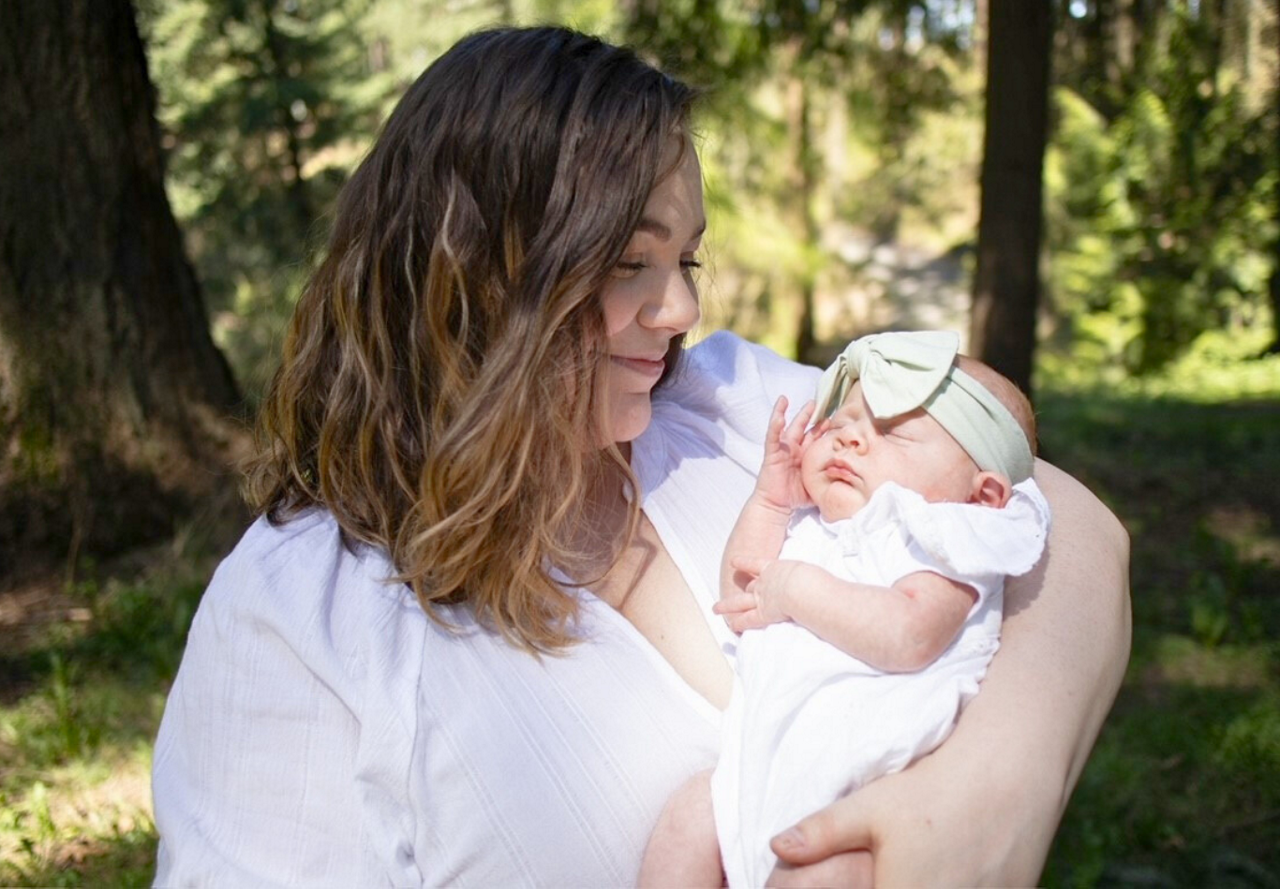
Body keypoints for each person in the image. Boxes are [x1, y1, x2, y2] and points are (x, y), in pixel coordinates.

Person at [151, 26, 1131, 887]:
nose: (680, 311)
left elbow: (1069, 524)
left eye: (685, 261)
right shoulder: (297, 621)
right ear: (476, 270)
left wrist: (984, 800)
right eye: (629, 262)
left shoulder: (731, 410)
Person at [638, 330, 1052, 887]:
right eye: (840, 423)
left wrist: (798, 591)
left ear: (982, 495)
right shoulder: (818, 526)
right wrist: (771, 500)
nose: (850, 440)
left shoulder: (945, 536)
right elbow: (743, 591)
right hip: (762, 775)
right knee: (689, 814)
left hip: (866, 788)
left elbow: (911, 634)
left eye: (893, 433)